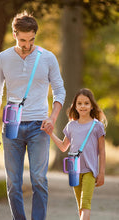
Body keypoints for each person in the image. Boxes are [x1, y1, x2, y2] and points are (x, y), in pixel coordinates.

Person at [0, 11, 66, 220]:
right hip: (11, 125)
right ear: (15, 34)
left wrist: (52, 118)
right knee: (13, 182)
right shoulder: (3, 58)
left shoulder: (48, 57)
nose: (27, 45)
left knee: (39, 179)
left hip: (39, 126)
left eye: (31, 39)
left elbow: (60, 91)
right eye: (23, 40)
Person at [43, 88, 106, 220]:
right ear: (75, 106)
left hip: (90, 171)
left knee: (85, 203)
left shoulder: (97, 126)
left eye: (86, 103)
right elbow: (63, 146)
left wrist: (102, 173)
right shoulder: (71, 126)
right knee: (80, 207)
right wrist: (50, 134)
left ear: (92, 106)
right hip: (74, 171)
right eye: (80, 103)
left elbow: (102, 151)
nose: (83, 106)